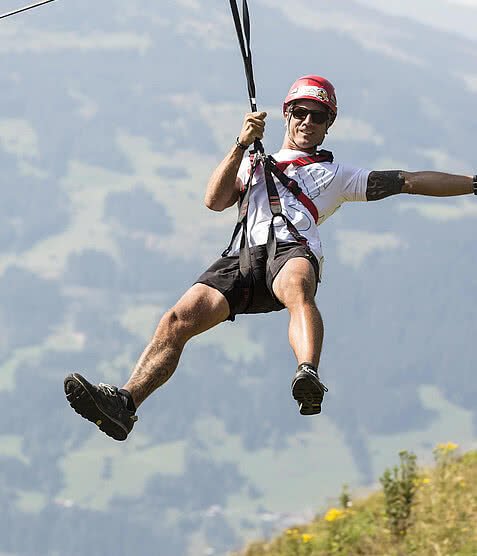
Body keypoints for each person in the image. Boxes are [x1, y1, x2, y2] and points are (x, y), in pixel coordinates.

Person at [64, 75, 475, 441]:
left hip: (292, 251)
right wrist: (241, 143)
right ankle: (125, 404)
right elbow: (214, 201)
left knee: (295, 285)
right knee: (176, 320)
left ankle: (307, 372)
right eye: (301, 113)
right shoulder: (253, 161)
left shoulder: (338, 176)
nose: (308, 123)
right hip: (243, 259)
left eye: (318, 117)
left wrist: (473, 184)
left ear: (328, 125)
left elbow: (408, 181)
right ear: (286, 114)